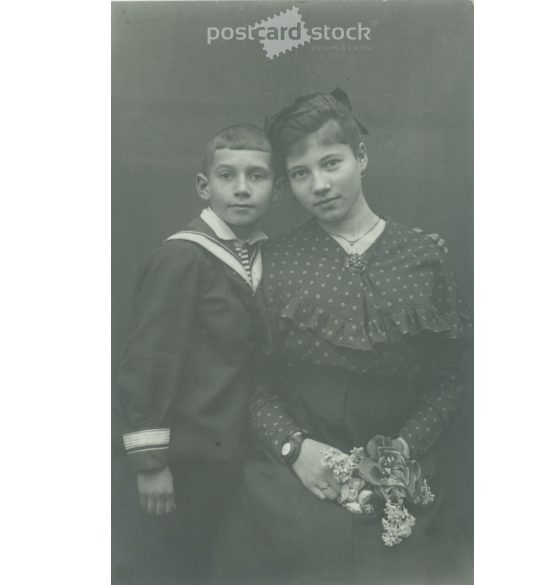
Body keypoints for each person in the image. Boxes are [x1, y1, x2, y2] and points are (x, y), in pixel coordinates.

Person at [211, 91, 473, 585]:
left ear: (362, 157)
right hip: (297, 473)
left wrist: (401, 449)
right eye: (300, 173)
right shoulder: (276, 262)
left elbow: (448, 381)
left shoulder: (424, 255)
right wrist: (295, 449)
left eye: (331, 163)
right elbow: (254, 380)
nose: (320, 184)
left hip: (405, 468)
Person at [116, 124, 279, 583]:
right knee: (171, 566)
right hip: (183, 463)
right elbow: (148, 361)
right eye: (227, 176)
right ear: (204, 186)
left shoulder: (263, 256)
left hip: (235, 460)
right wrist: (151, 465)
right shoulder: (182, 258)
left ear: (276, 188)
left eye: (257, 176)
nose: (242, 189)